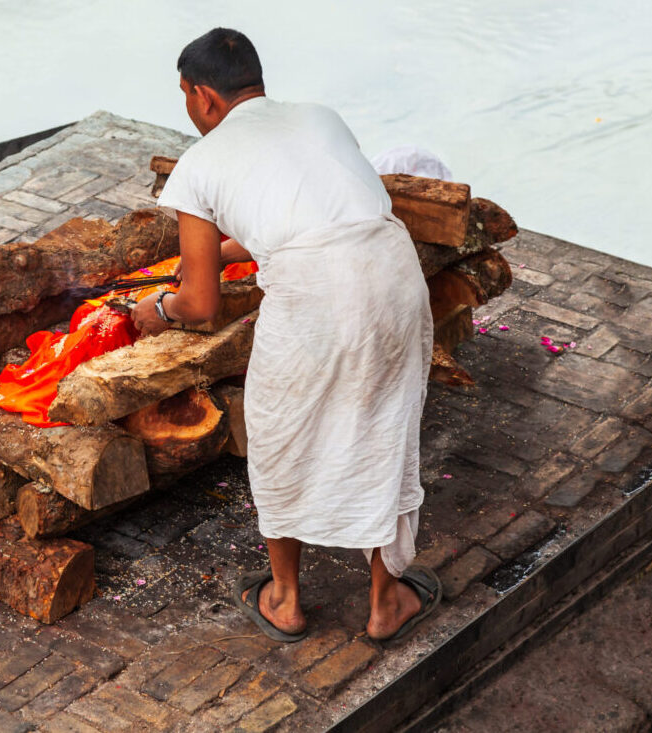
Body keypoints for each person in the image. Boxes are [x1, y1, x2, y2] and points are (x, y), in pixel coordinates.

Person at [130, 27, 441, 643]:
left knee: (278, 433)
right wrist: (220, 251)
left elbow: (200, 304)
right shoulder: (320, 117)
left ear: (204, 98)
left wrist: (158, 310)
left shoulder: (199, 164)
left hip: (314, 296)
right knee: (385, 426)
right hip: (392, 274)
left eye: (186, 95)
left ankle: (286, 599)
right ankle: (386, 603)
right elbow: (314, 211)